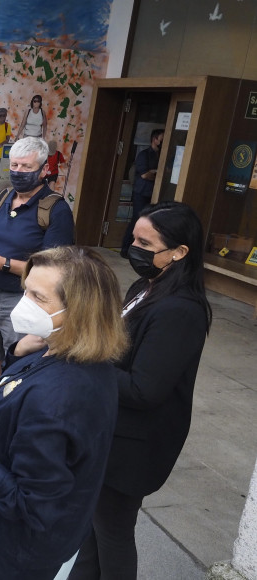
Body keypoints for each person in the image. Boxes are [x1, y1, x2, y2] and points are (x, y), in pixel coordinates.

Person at [0, 246, 127, 580]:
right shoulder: (66, 353)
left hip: (21, 549)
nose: (25, 304)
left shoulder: (58, 398)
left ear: (78, 311)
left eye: (39, 297)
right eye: (26, 291)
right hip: (33, 536)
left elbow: (31, 504)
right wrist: (16, 354)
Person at [69, 201, 212, 580]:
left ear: (179, 252)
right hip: (112, 433)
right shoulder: (146, 286)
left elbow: (145, 389)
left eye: (146, 243)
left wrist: (83, 360)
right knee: (93, 532)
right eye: (133, 237)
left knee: (112, 534)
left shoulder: (181, 311)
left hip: (134, 447)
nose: (134, 248)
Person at [0, 137, 74, 399]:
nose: (18, 172)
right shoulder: (2, 196)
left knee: (21, 360)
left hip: (26, 299)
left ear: (44, 170)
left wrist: (2, 264)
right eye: (14, 165)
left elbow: (53, 270)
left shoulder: (56, 210)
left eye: (26, 167)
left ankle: (14, 406)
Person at [120, 128, 164, 258]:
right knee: (137, 220)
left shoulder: (162, 155)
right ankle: (125, 249)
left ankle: (140, 251)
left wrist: (154, 173)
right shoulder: (144, 155)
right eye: (161, 139)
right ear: (155, 139)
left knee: (151, 223)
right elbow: (145, 175)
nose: (163, 141)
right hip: (141, 192)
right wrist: (155, 174)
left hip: (153, 193)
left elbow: (163, 172)